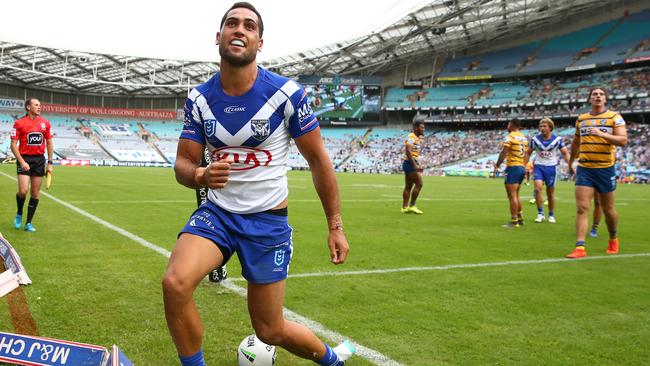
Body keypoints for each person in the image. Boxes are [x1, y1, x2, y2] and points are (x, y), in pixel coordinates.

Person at [161, 3, 354, 366]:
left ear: (259, 42)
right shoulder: (199, 99)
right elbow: (183, 164)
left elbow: (318, 161)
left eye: (249, 26)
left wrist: (335, 225)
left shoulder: (286, 94)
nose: (240, 30)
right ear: (218, 37)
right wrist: (201, 176)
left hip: (267, 222)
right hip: (217, 215)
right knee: (175, 283)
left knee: (270, 330)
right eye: (231, 23)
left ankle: (331, 360)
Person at [566, 87, 627, 258]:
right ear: (590, 99)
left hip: (605, 169)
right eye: (595, 94)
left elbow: (622, 140)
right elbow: (576, 144)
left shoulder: (615, 117)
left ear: (605, 99)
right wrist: (571, 162)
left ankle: (613, 238)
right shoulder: (582, 119)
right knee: (582, 208)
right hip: (585, 168)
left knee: (608, 209)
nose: (598, 96)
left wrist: (601, 134)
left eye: (601, 94)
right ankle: (579, 248)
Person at [10, 98, 54, 232]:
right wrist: (22, 161)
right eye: (36, 105)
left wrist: (50, 163)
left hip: (39, 160)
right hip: (24, 159)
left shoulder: (45, 123)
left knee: (35, 193)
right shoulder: (19, 123)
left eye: (40, 105)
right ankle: (19, 213)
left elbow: (49, 143)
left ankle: (28, 223)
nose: (39, 107)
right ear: (28, 107)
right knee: (23, 191)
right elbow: (13, 145)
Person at [526, 118, 572, 224]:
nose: (542, 128)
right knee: (537, 189)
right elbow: (528, 153)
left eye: (544, 126)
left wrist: (570, 165)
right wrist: (523, 165)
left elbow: (565, 153)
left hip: (551, 168)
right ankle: (540, 214)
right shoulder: (535, 140)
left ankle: (551, 214)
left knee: (550, 193)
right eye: (541, 126)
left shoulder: (557, 140)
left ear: (550, 127)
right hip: (538, 166)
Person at [493, 118, 528, 228]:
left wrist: (497, 165)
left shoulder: (510, 137)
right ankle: (520, 218)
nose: (507, 126)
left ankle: (514, 221)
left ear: (512, 125)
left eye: (508, 124)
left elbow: (504, 152)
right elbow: (526, 154)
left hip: (513, 167)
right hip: (521, 167)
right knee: (516, 195)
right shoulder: (523, 138)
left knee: (512, 196)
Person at [401, 121, 425, 214]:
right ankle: (412, 206)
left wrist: (417, 163)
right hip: (410, 163)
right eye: (421, 127)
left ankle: (404, 207)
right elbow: (408, 150)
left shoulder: (416, 138)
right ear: (416, 128)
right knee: (419, 183)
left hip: (410, 162)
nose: (423, 129)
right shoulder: (411, 137)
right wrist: (415, 165)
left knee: (408, 186)